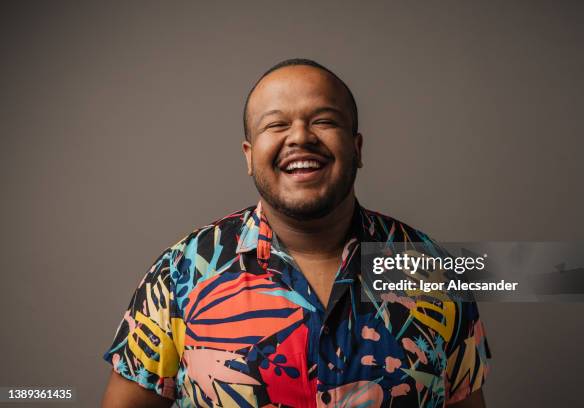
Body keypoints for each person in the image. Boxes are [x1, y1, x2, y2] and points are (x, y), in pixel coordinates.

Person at [101, 58, 491, 408]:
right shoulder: (181, 273)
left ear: (357, 148)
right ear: (249, 156)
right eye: (276, 124)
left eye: (323, 120)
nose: (300, 137)